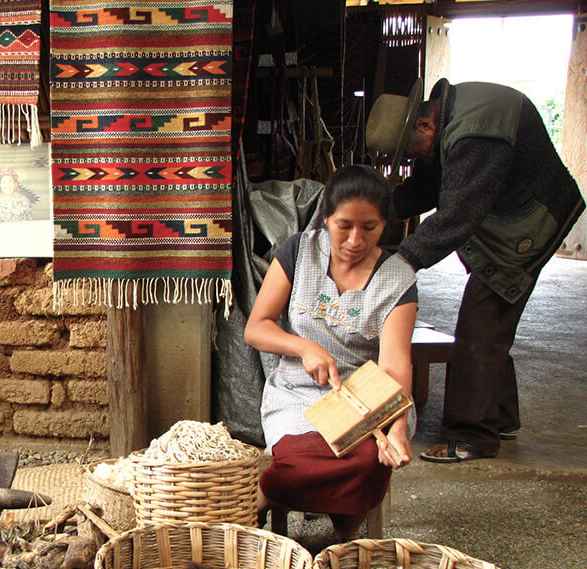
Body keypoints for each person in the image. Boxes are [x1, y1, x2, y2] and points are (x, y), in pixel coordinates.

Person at [365, 78, 585, 463]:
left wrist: (401, 263)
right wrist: (372, 213)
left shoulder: (475, 136)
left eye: (412, 150)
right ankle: (500, 415)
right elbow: (425, 188)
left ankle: (473, 436)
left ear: (423, 126)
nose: (415, 158)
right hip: (512, 214)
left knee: (479, 326)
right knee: (491, 321)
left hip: (532, 221)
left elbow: (458, 214)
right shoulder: (449, 119)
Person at [245, 165, 417, 540]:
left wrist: (398, 425)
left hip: (368, 397)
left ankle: (345, 534)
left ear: (384, 225)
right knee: (296, 461)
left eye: (369, 228)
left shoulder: (398, 278)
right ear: (326, 219)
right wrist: (303, 346)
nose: (355, 239)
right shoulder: (298, 252)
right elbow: (257, 327)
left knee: (367, 461)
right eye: (344, 225)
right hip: (297, 392)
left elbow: (394, 363)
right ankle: (268, 493)